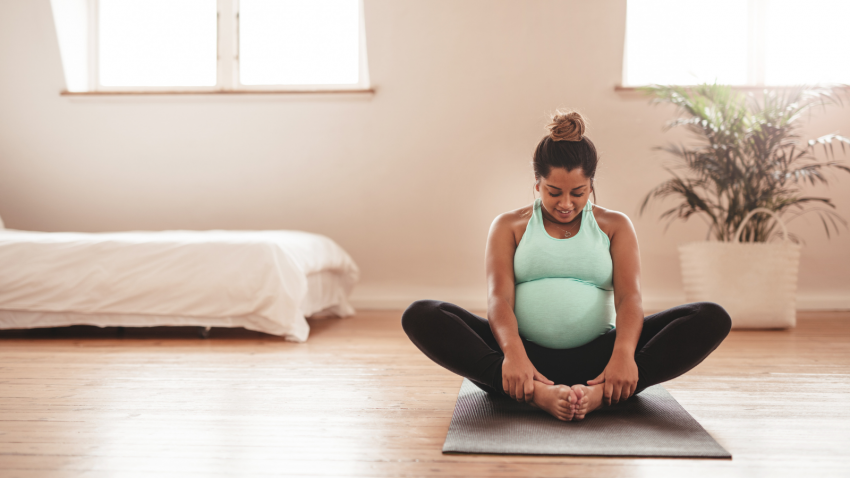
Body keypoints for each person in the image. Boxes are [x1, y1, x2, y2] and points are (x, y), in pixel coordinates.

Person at [401, 110, 731, 421]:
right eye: (554, 192)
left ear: (592, 185)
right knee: (422, 314)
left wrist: (623, 355)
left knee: (710, 317)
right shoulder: (508, 226)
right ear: (537, 184)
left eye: (579, 192)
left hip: (599, 358)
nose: (566, 204)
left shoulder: (614, 225)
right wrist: (514, 355)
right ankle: (535, 392)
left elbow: (630, 298)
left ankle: (604, 391)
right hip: (522, 358)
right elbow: (498, 299)